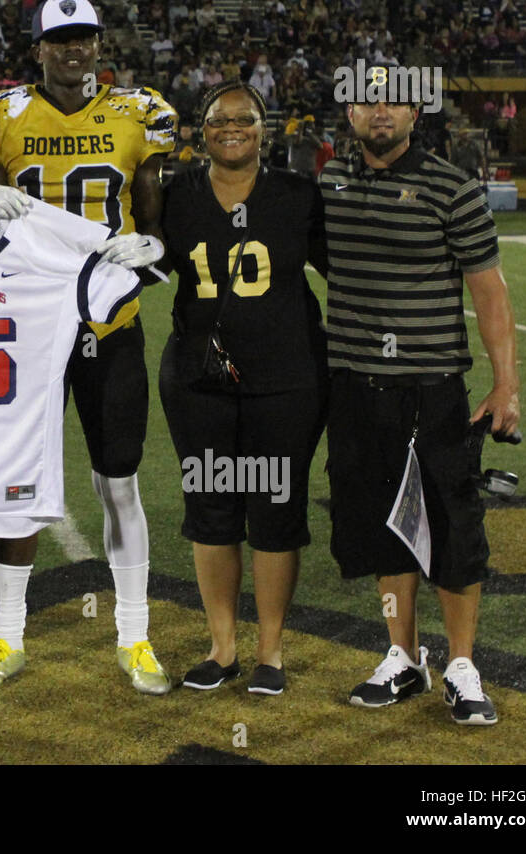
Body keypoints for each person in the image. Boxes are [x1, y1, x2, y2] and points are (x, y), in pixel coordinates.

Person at [0, 0, 177, 695]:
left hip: (109, 326)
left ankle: (135, 636)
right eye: (59, 39)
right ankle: (7, 637)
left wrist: (155, 246)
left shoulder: (139, 114)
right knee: (17, 486)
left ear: (98, 42)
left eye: (83, 37)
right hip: (29, 328)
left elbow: (152, 216)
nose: (73, 50)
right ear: (39, 47)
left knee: (118, 480)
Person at [321, 97, 519, 725]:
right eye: (366, 102)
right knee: (387, 526)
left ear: (415, 114)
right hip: (355, 384)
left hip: (431, 387)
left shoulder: (452, 187)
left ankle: (462, 665)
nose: (380, 113)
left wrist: (505, 386)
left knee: (453, 526)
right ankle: (402, 655)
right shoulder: (329, 182)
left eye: (395, 102)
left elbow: (488, 289)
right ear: (348, 114)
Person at [158, 82, 327, 695]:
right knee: (211, 509)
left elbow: (349, 269)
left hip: (286, 379)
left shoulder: (299, 196)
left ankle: (271, 652)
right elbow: (141, 266)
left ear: (265, 127)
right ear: (201, 131)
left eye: (245, 118)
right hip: (199, 382)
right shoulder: (175, 197)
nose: (233, 128)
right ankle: (222, 647)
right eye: (219, 119)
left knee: (276, 511)